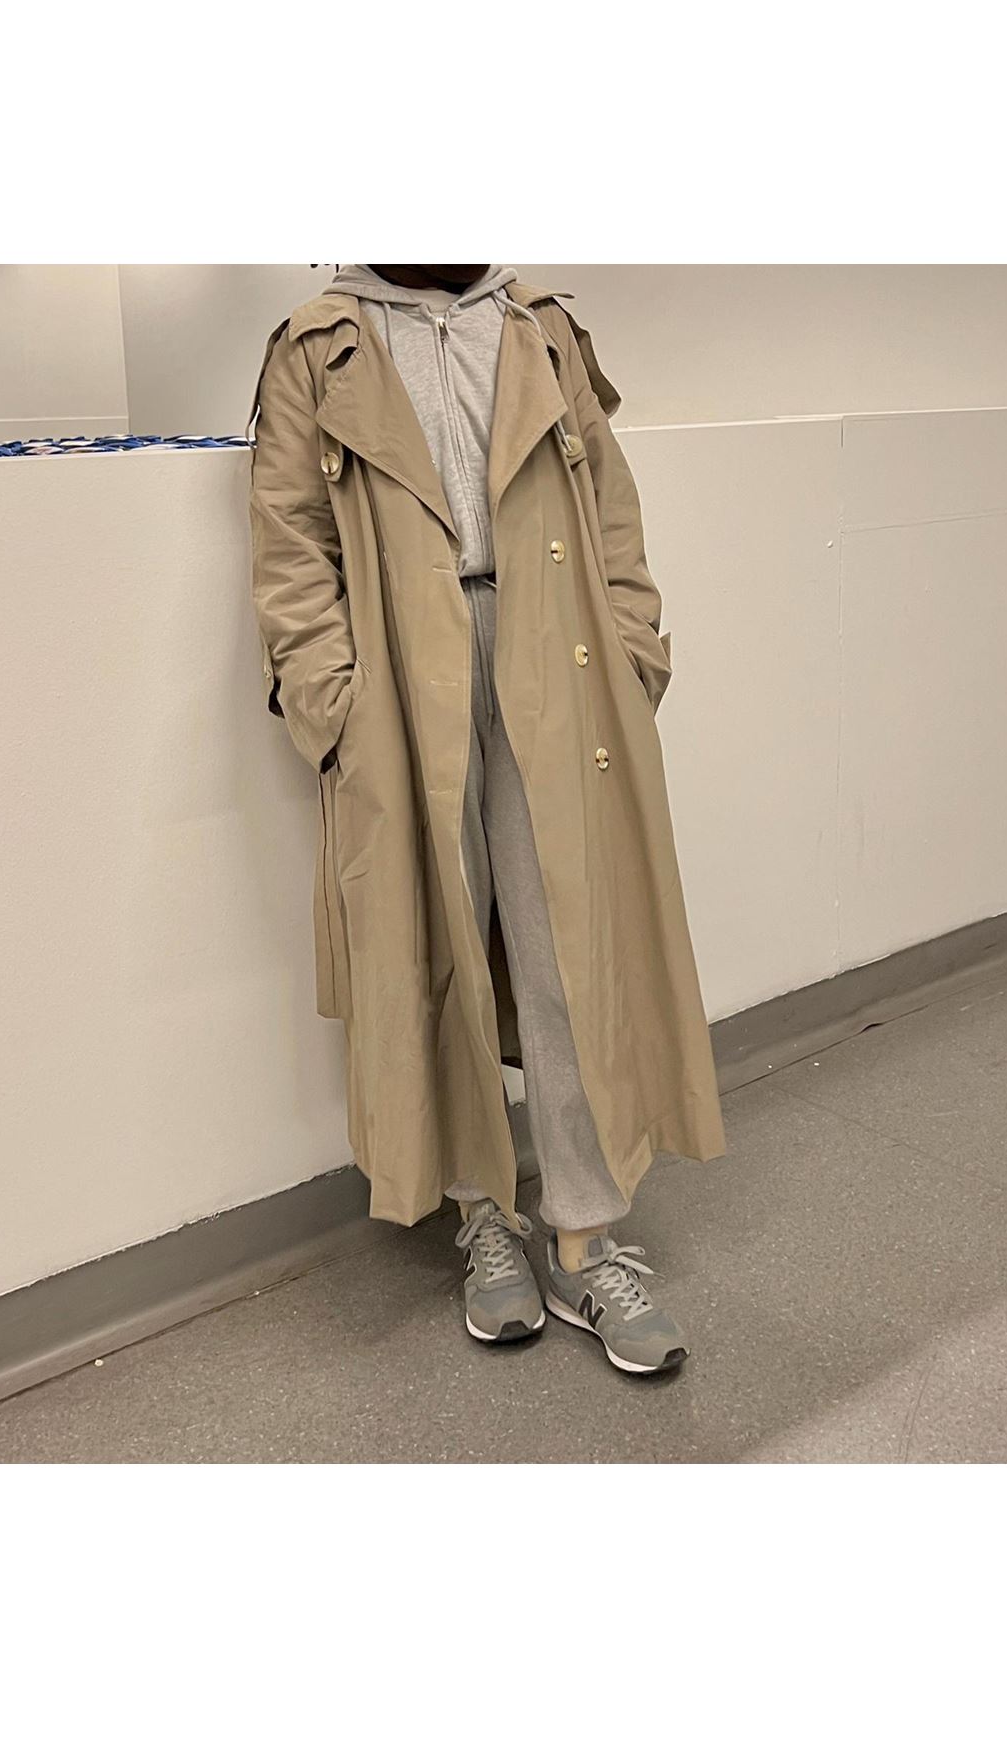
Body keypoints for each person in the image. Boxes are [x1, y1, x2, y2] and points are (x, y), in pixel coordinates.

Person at [248, 264, 725, 1375]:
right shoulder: (317, 347)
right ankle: (484, 1216)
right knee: (439, 943)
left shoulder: (537, 329)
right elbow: (289, 546)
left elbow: (611, 510)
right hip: (400, 674)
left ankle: (584, 1235)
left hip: (555, 648)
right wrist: (336, 711)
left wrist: (635, 653)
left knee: (571, 946)